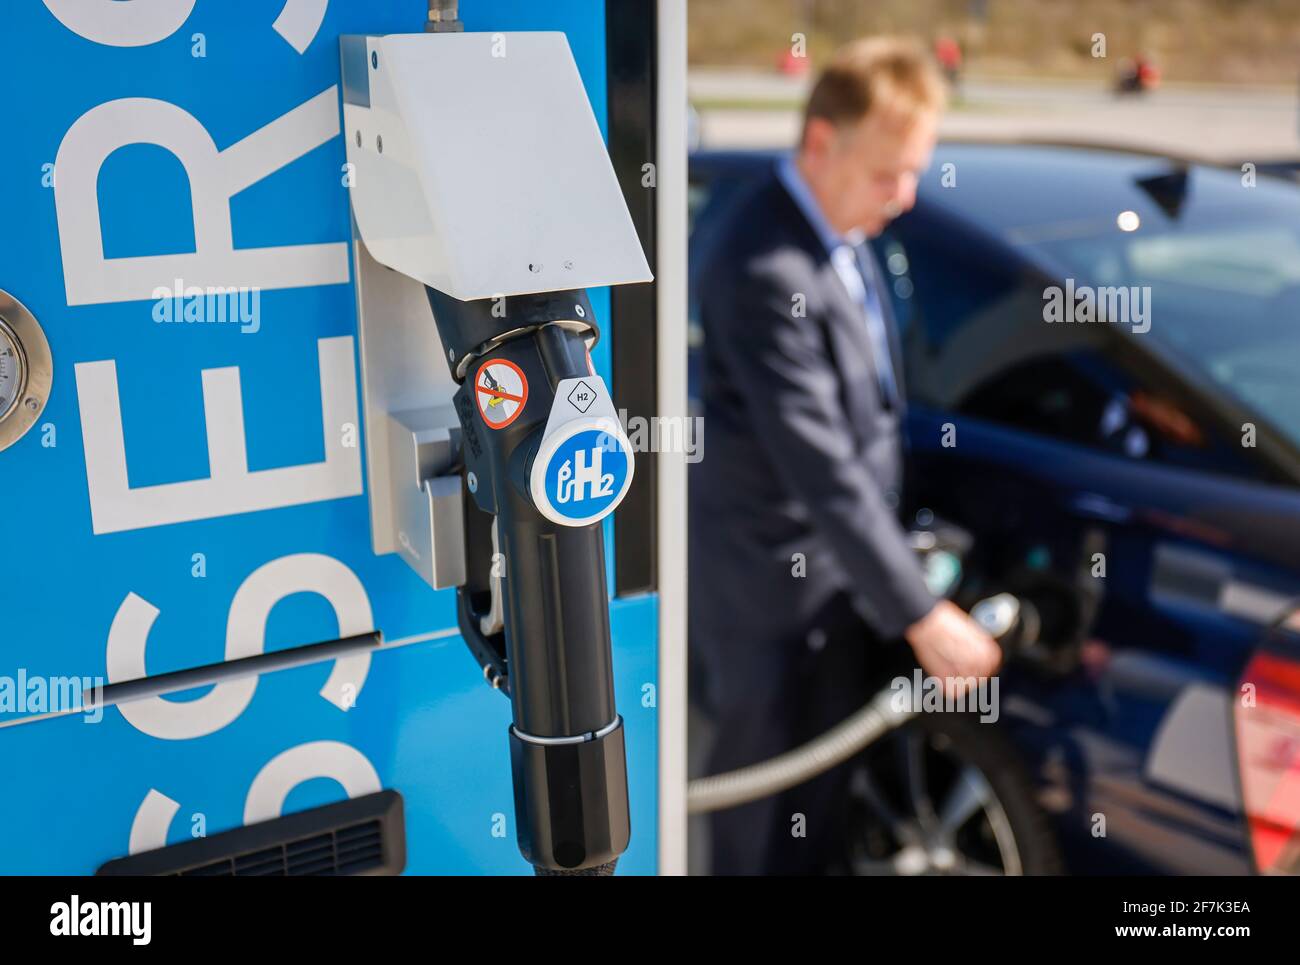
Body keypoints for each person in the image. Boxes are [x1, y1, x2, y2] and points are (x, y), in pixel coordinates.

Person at [689, 36, 1002, 875]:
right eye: (887, 173)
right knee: (763, 808)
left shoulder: (844, 229)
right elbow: (819, 457)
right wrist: (919, 609)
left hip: (840, 580)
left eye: (914, 173)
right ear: (820, 141)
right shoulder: (762, 263)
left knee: (822, 803)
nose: (904, 198)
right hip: (769, 588)